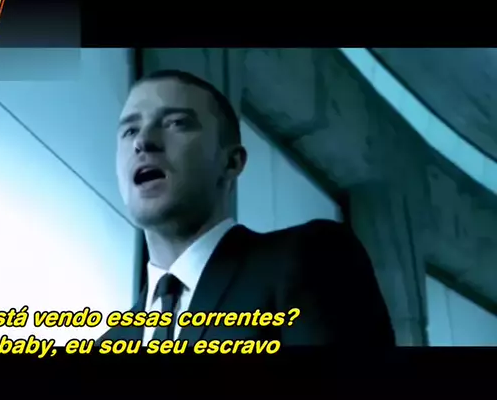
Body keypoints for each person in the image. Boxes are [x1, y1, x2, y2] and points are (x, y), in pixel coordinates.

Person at [100, 69, 395, 346]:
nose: (143, 141)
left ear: (231, 162)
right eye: (130, 130)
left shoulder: (314, 257)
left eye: (176, 123)